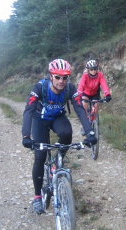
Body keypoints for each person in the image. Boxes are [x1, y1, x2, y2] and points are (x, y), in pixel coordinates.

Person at [21, 58, 97, 214]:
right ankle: (37, 196)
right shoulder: (40, 87)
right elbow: (29, 110)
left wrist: (90, 132)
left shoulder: (69, 89)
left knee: (67, 133)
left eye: (65, 77)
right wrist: (26, 135)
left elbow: (80, 110)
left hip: (57, 117)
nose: (61, 81)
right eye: (57, 77)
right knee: (40, 156)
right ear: (51, 76)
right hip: (40, 120)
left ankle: (58, 159)